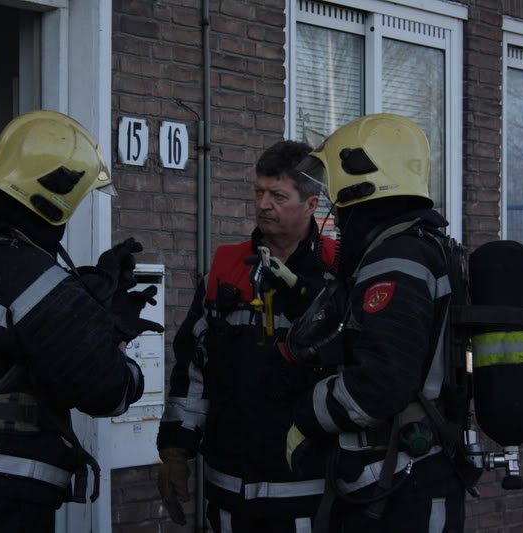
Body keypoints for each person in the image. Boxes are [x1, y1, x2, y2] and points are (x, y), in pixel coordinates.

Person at [0, 110, 161, 532]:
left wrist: (91, 293)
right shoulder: (24, 272)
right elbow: (108, 391)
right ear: (53, 197)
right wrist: (118, 341)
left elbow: (13, 336)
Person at [284, 113, 467, 532]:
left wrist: (307, 414)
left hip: (405, 487)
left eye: (336, 194)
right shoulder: (415, 247)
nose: (333, 207)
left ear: (363, 183)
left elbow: (380, 385)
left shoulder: (395, 261)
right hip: (402, 478)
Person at [156, 140, 338, 532]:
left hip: (309, 488)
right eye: (258, 192)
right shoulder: (226, 267)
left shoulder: (337, 270)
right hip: (229, 487)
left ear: (311, 204)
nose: (263, 205)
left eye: (277, 195)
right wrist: (175, 446)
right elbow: (193, 367)